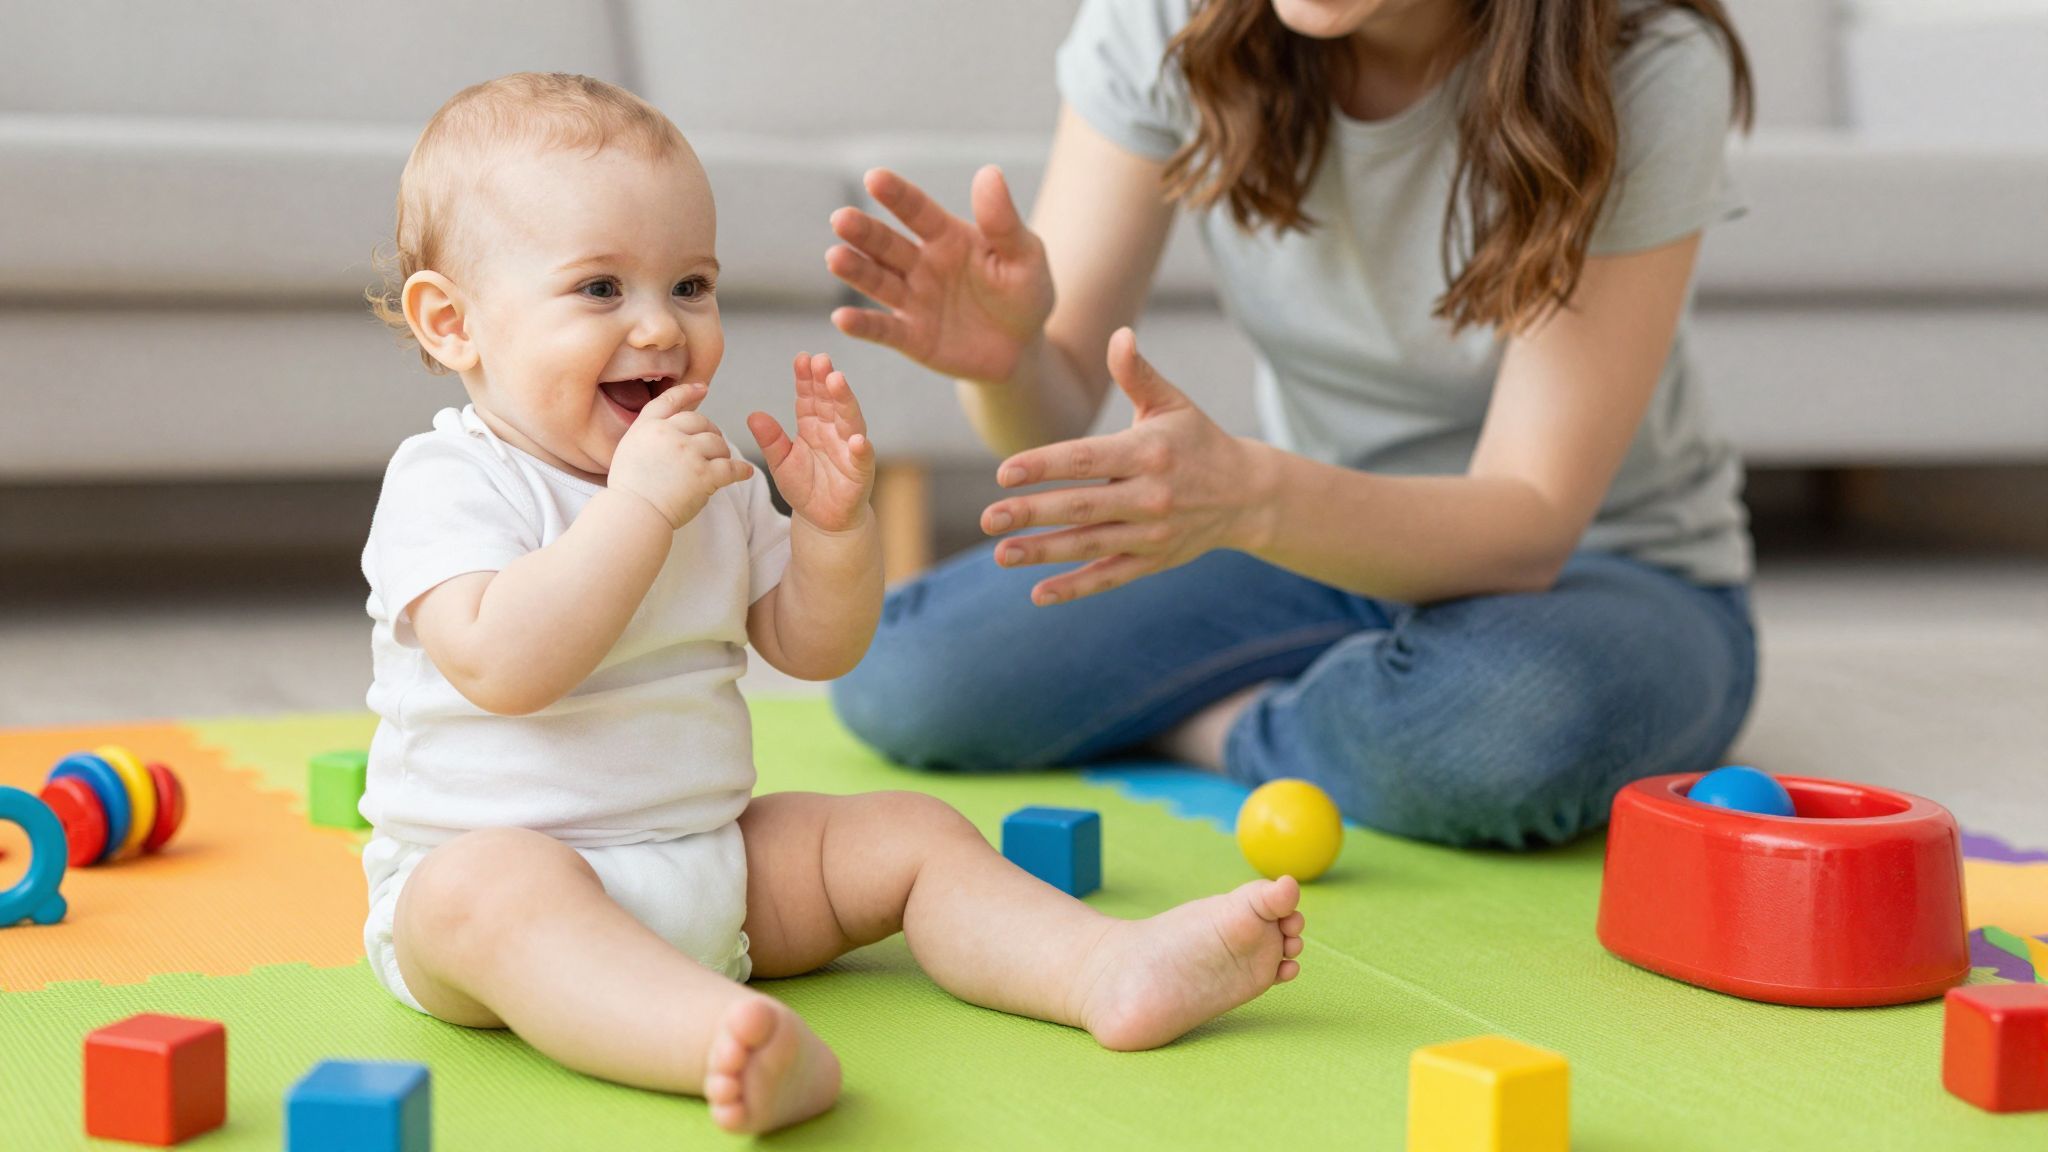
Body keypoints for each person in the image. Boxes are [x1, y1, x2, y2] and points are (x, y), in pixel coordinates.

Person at [358, 73, 1305, 1136]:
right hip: (489, 885)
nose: (661, 330)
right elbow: (502, 663)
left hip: (712, 865)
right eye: (598, 290)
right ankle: (715, 1039)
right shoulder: (449, 483)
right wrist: (633, 514)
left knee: (909, 834)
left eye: (689, 286)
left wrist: (832, 532)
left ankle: (1103, 969)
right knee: (484, 894)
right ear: (454, 324)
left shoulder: (696, 474)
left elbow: (814, 647)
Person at [826, 0, 1760, 850]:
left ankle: (1226, 720)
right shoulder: (1167, 19)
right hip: (1312, 549)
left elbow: (1531, 523)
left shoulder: (1644, 54)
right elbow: (1056, 402)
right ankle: (1350, 707)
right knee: (910, 672)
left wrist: (1248, 497)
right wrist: (1012, 361)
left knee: (1514, 722)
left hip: (1607, 571)